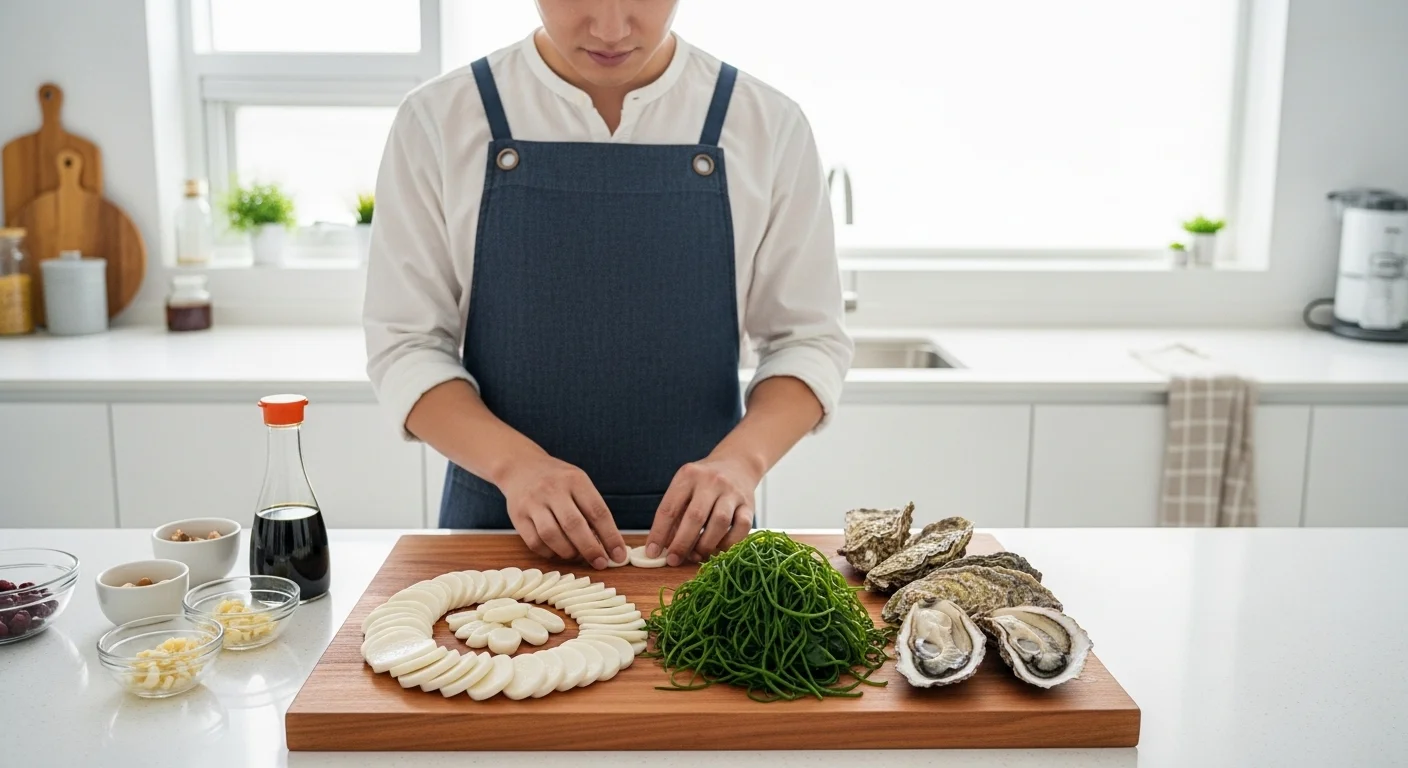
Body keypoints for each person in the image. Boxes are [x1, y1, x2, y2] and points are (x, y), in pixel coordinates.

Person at [364, 0, 851, 571]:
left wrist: (742, 463)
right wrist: (516, 467)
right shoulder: (440, 119)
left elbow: (808, 341)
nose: (612, 29)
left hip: (704, 548)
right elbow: (406, 346)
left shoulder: (766, 124)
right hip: (496, 539)